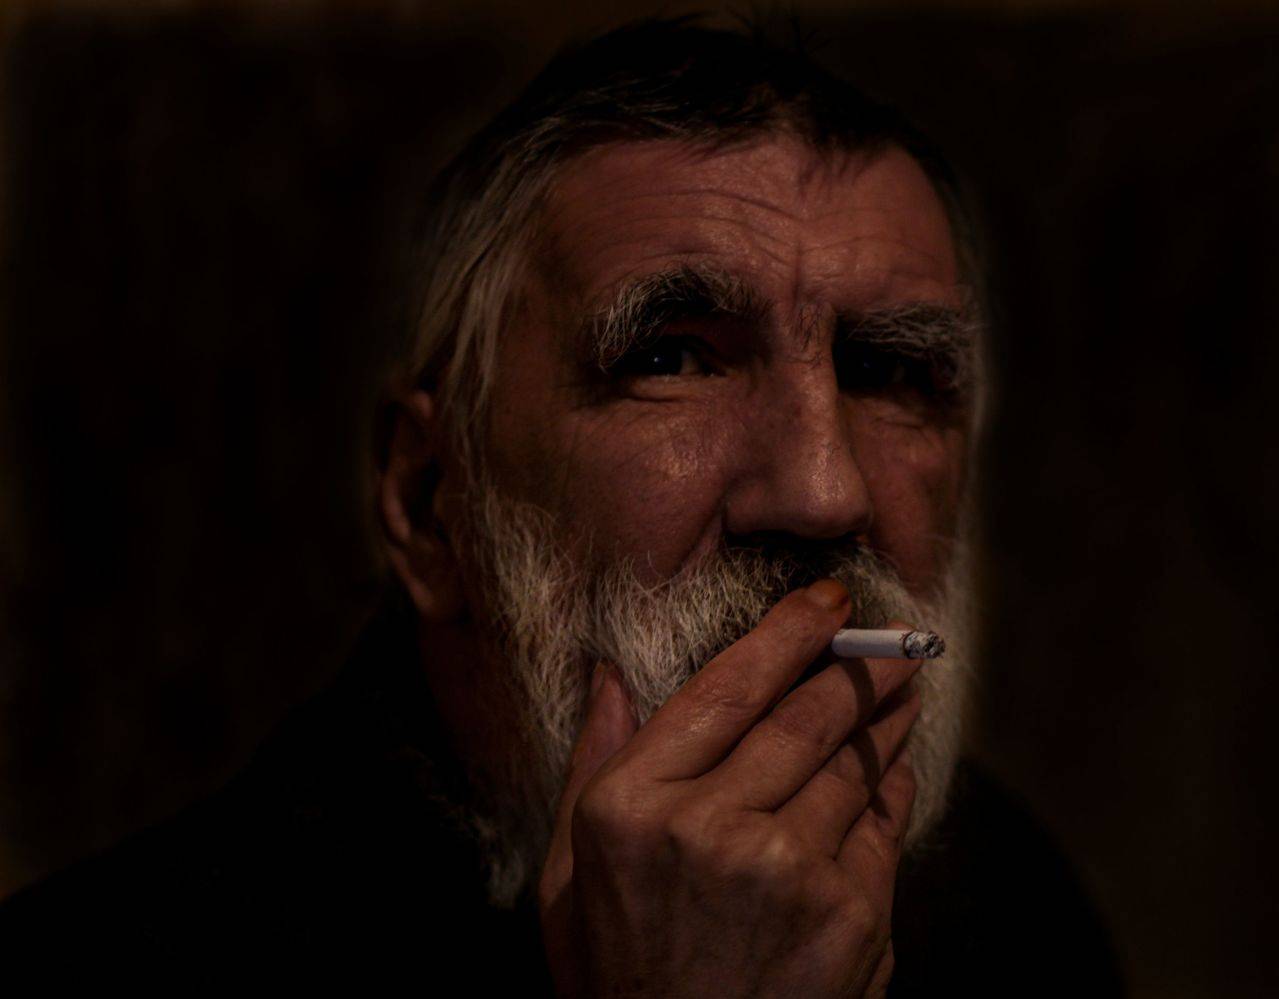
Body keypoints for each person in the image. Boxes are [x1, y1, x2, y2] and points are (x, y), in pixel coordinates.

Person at [1, 17, 1121, 994]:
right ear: (431, 502)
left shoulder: (1007, 907)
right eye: (672, 357)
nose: (825, 493)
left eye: (887, 371)